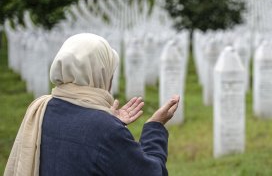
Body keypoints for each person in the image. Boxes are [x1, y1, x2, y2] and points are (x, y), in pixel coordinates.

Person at [4, 33, 179, 176]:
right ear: (100, 74)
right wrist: (154, 127)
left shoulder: (42, 107)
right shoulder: (105, 129)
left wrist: (107, 120)